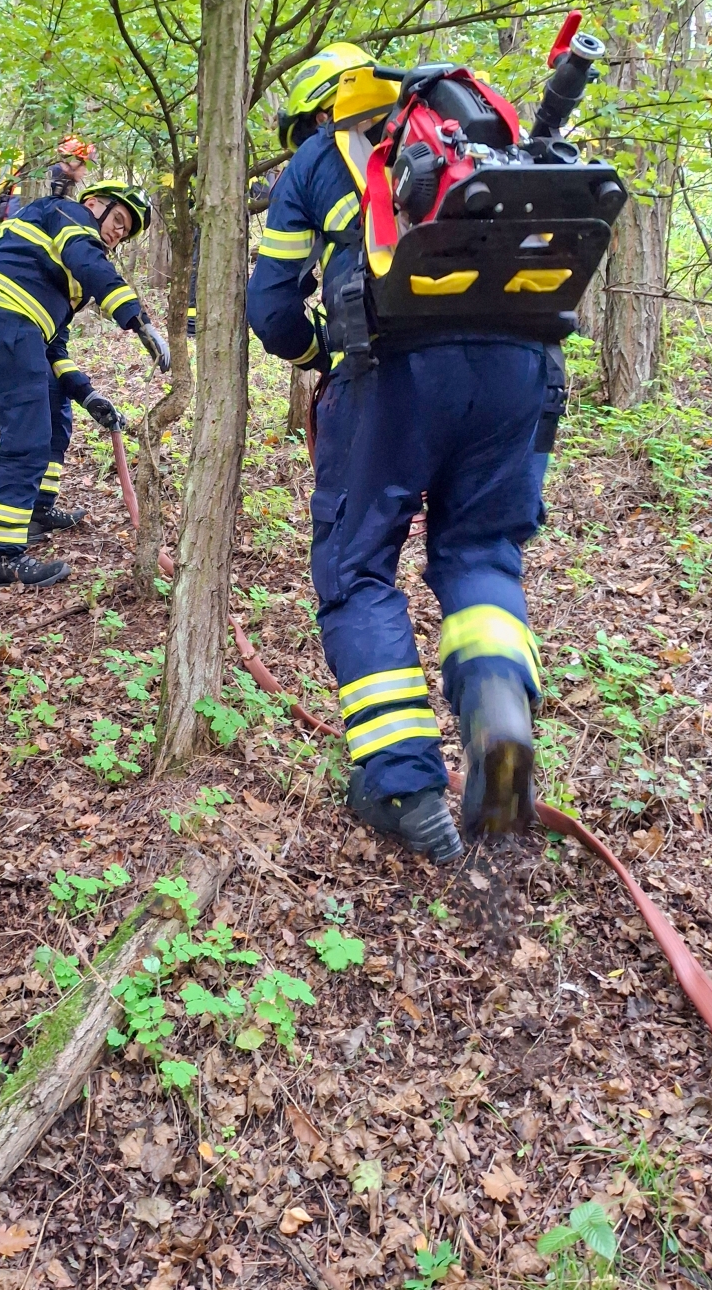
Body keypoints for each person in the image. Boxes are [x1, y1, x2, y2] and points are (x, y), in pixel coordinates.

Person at [247, 64, 549, 865]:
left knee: (356, 568)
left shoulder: (322, 155)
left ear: (318, 113)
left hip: (396, 367)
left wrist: (318, 354)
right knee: (481, 552)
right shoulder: (477, 143)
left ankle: (403, 789)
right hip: (522, 365)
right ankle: (500, 719)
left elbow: (270, 309)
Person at [0, 181, 170, 587]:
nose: (118, 234)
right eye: (119, 220)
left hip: (4, 324)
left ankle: (37, 510)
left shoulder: (58, 269)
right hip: (0, 317)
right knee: (27, 436)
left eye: (125, 232)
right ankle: (1, 556)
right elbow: (88, 259)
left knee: (54, 405)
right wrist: (137, 319)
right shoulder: (68, 214)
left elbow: (54, 345)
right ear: (94, 204)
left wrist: (87, 393)